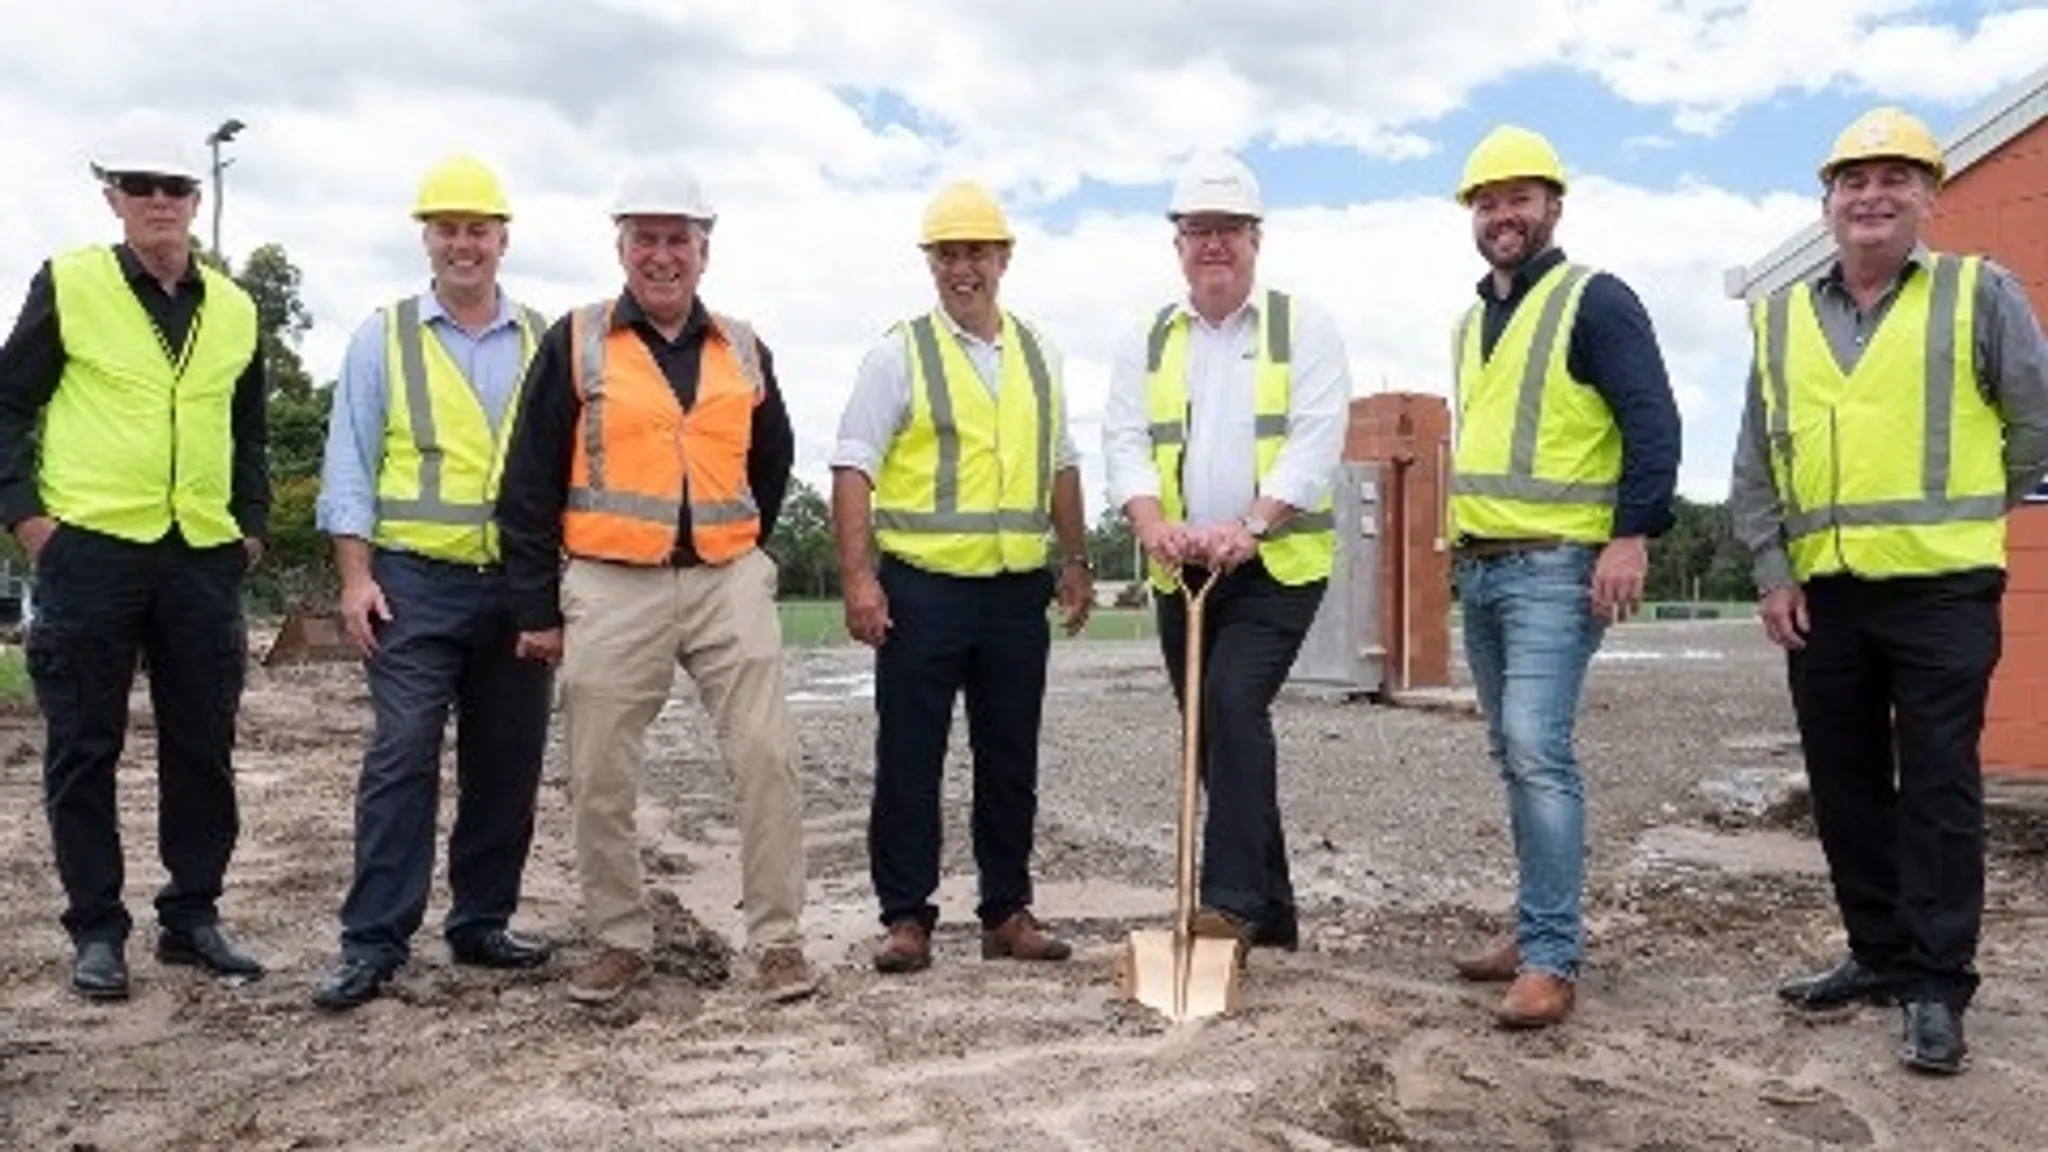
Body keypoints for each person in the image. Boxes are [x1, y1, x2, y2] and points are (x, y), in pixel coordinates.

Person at [1730, 106, 2048, 1075]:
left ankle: (1937, 983)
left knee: (1940, 786)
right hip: (1824, 595)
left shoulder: (1976, 293)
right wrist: (1771, 570)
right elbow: (1755, 463)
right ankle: (1876, 953)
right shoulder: (1781, 316)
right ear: (1826, 201)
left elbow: (2034, 425)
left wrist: (1968, 511)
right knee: (1845, 784)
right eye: (1852, 181)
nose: (1871, 195)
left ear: (1926, 196)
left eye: (1893, 178)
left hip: (1941, 585)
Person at [495, 160, 816, 1007]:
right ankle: (618, 941)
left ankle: (778, 943)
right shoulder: (578, 339)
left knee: (767, 758)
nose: (662, 255)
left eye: (679, 239)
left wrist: (739, 545)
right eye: (646, 238)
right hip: (611, 584)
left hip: (725, 579)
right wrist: (537, 607)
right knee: (600, 770)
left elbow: (773, 460)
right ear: (621, 246)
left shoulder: (743, 346)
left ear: (705, 251)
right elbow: (527, 481)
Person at [0, 131, 270, 999]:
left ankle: (192, 915)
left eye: (174, 185)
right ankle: (96, 929)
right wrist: (30, 520)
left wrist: (251, 527)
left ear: (196, 199)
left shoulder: (235, 307)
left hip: (201, 554)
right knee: (85, 744)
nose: (159, 199)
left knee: (203, 744)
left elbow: (249, 432)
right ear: (112, 197)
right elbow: (7, 406)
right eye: (139, 184)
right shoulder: (71, 283)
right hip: (90, 550)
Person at [1442, 125, 1681, 1028]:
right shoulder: (1472, 323)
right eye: (1487, 201)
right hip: (1483, 568)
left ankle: (1550, 956)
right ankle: (1533, 925)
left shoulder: (1596, 301)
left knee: (1537, 748)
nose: (1502, 215)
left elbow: (1652, 422)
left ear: (1553, 206)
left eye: (1519, 198)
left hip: (1556, 566)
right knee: (1513, 752)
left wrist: (1632, 537)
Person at [308, 155, 557, 1012]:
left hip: (517, 585)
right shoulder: (382, 336)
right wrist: (355, 578)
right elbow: (349, 462)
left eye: (477, 230)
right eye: (447, 229)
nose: (463, 244)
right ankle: (373, 940)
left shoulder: (544, 340)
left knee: (507, 761)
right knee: (402, 753)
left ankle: (481, 922)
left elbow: (565, 466)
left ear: (502, 239)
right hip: (412, 582)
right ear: (426, 238)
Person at [831, 180, 1093, 974]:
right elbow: (853, 465)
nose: (962, 269)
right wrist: (858, 579)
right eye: (947, 254)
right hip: (924, 590)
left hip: (1015, 591)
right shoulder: (898, 353)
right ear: (930, 263)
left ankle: (1006, 911)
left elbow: (1061, 462)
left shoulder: (1040, 353)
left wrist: (1076, 559)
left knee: (1010, 760)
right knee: (910, 760)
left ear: (1004, 258)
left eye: (976, 252)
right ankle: (906, 917)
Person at [1100, 151, 1351, 964]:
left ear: (1256, 239)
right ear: (1177, 243)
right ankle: (1274, 910)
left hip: (1276, 565)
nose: (1214, 244)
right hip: (1183, 571)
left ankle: (1230, 907)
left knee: (1233, 703)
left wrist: (1254, 523)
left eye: (1229, 230)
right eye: (1198, 230)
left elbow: (1315, 440)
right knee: (1212, 733)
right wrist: (1151, 525)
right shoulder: (1146, 339)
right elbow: (1125, 441)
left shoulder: (1302, 327)